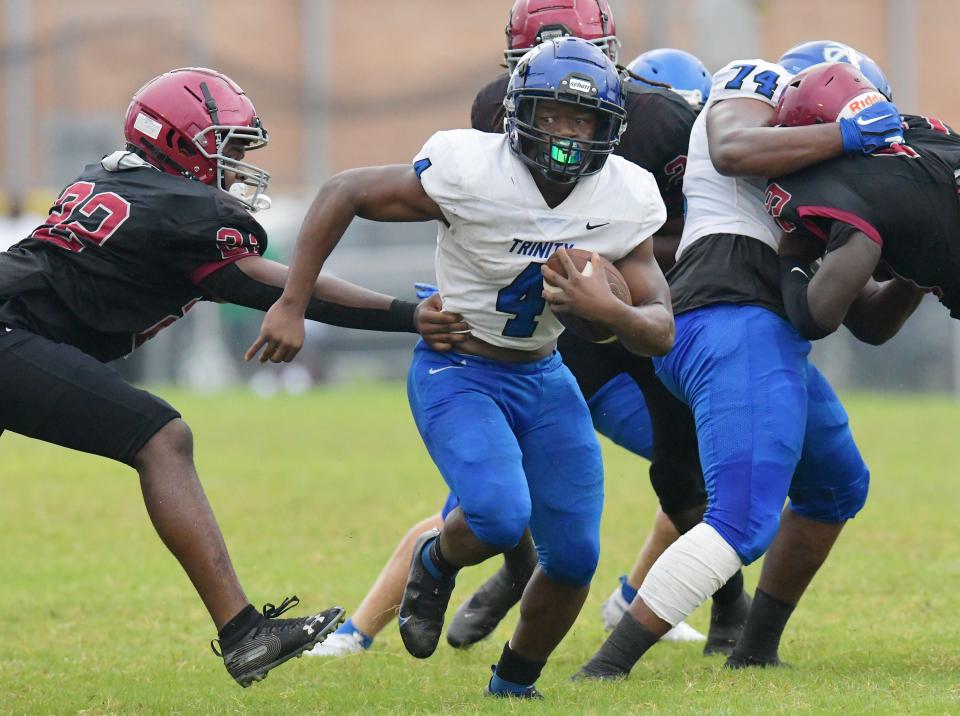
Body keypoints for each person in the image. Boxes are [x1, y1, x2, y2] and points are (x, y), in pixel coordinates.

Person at [0, 66, 464, 688]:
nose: (240, 164)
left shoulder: (110, 179)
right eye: (230, 148)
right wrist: (408, 315)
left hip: (17, 331)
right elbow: (288, 290)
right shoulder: (186, 212)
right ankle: (244, 634)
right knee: (162, 437)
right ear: (178, 143)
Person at [247, 37, 674, 698]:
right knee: (501, 517)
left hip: (544, 372)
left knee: (575, 559)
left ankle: (513, 686)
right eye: (553, 114)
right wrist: (292, 302)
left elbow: (659, 330)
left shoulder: (625, 196)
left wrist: (606, 311)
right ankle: (434, 561)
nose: (565, 134)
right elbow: (343, 190)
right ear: (520, 111)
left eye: (582, 120)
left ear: (608, 129)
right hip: (460, 366)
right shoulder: (471, 169)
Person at [574, 44, 908, 680]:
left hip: (769, 337)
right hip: (727, 315)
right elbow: (732, 150)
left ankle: (754, 649)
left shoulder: (830, 169)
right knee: (742, 519)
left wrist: (923, 272)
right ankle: (604, 671)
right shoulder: (758, 87)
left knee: (836, 486)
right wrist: (842, 131)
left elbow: (865, 320)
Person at [762, 62, 938, 342]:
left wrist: (791, 257)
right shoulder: (921, 151)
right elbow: (868, 321)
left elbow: (826, 317)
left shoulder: (861, 192)